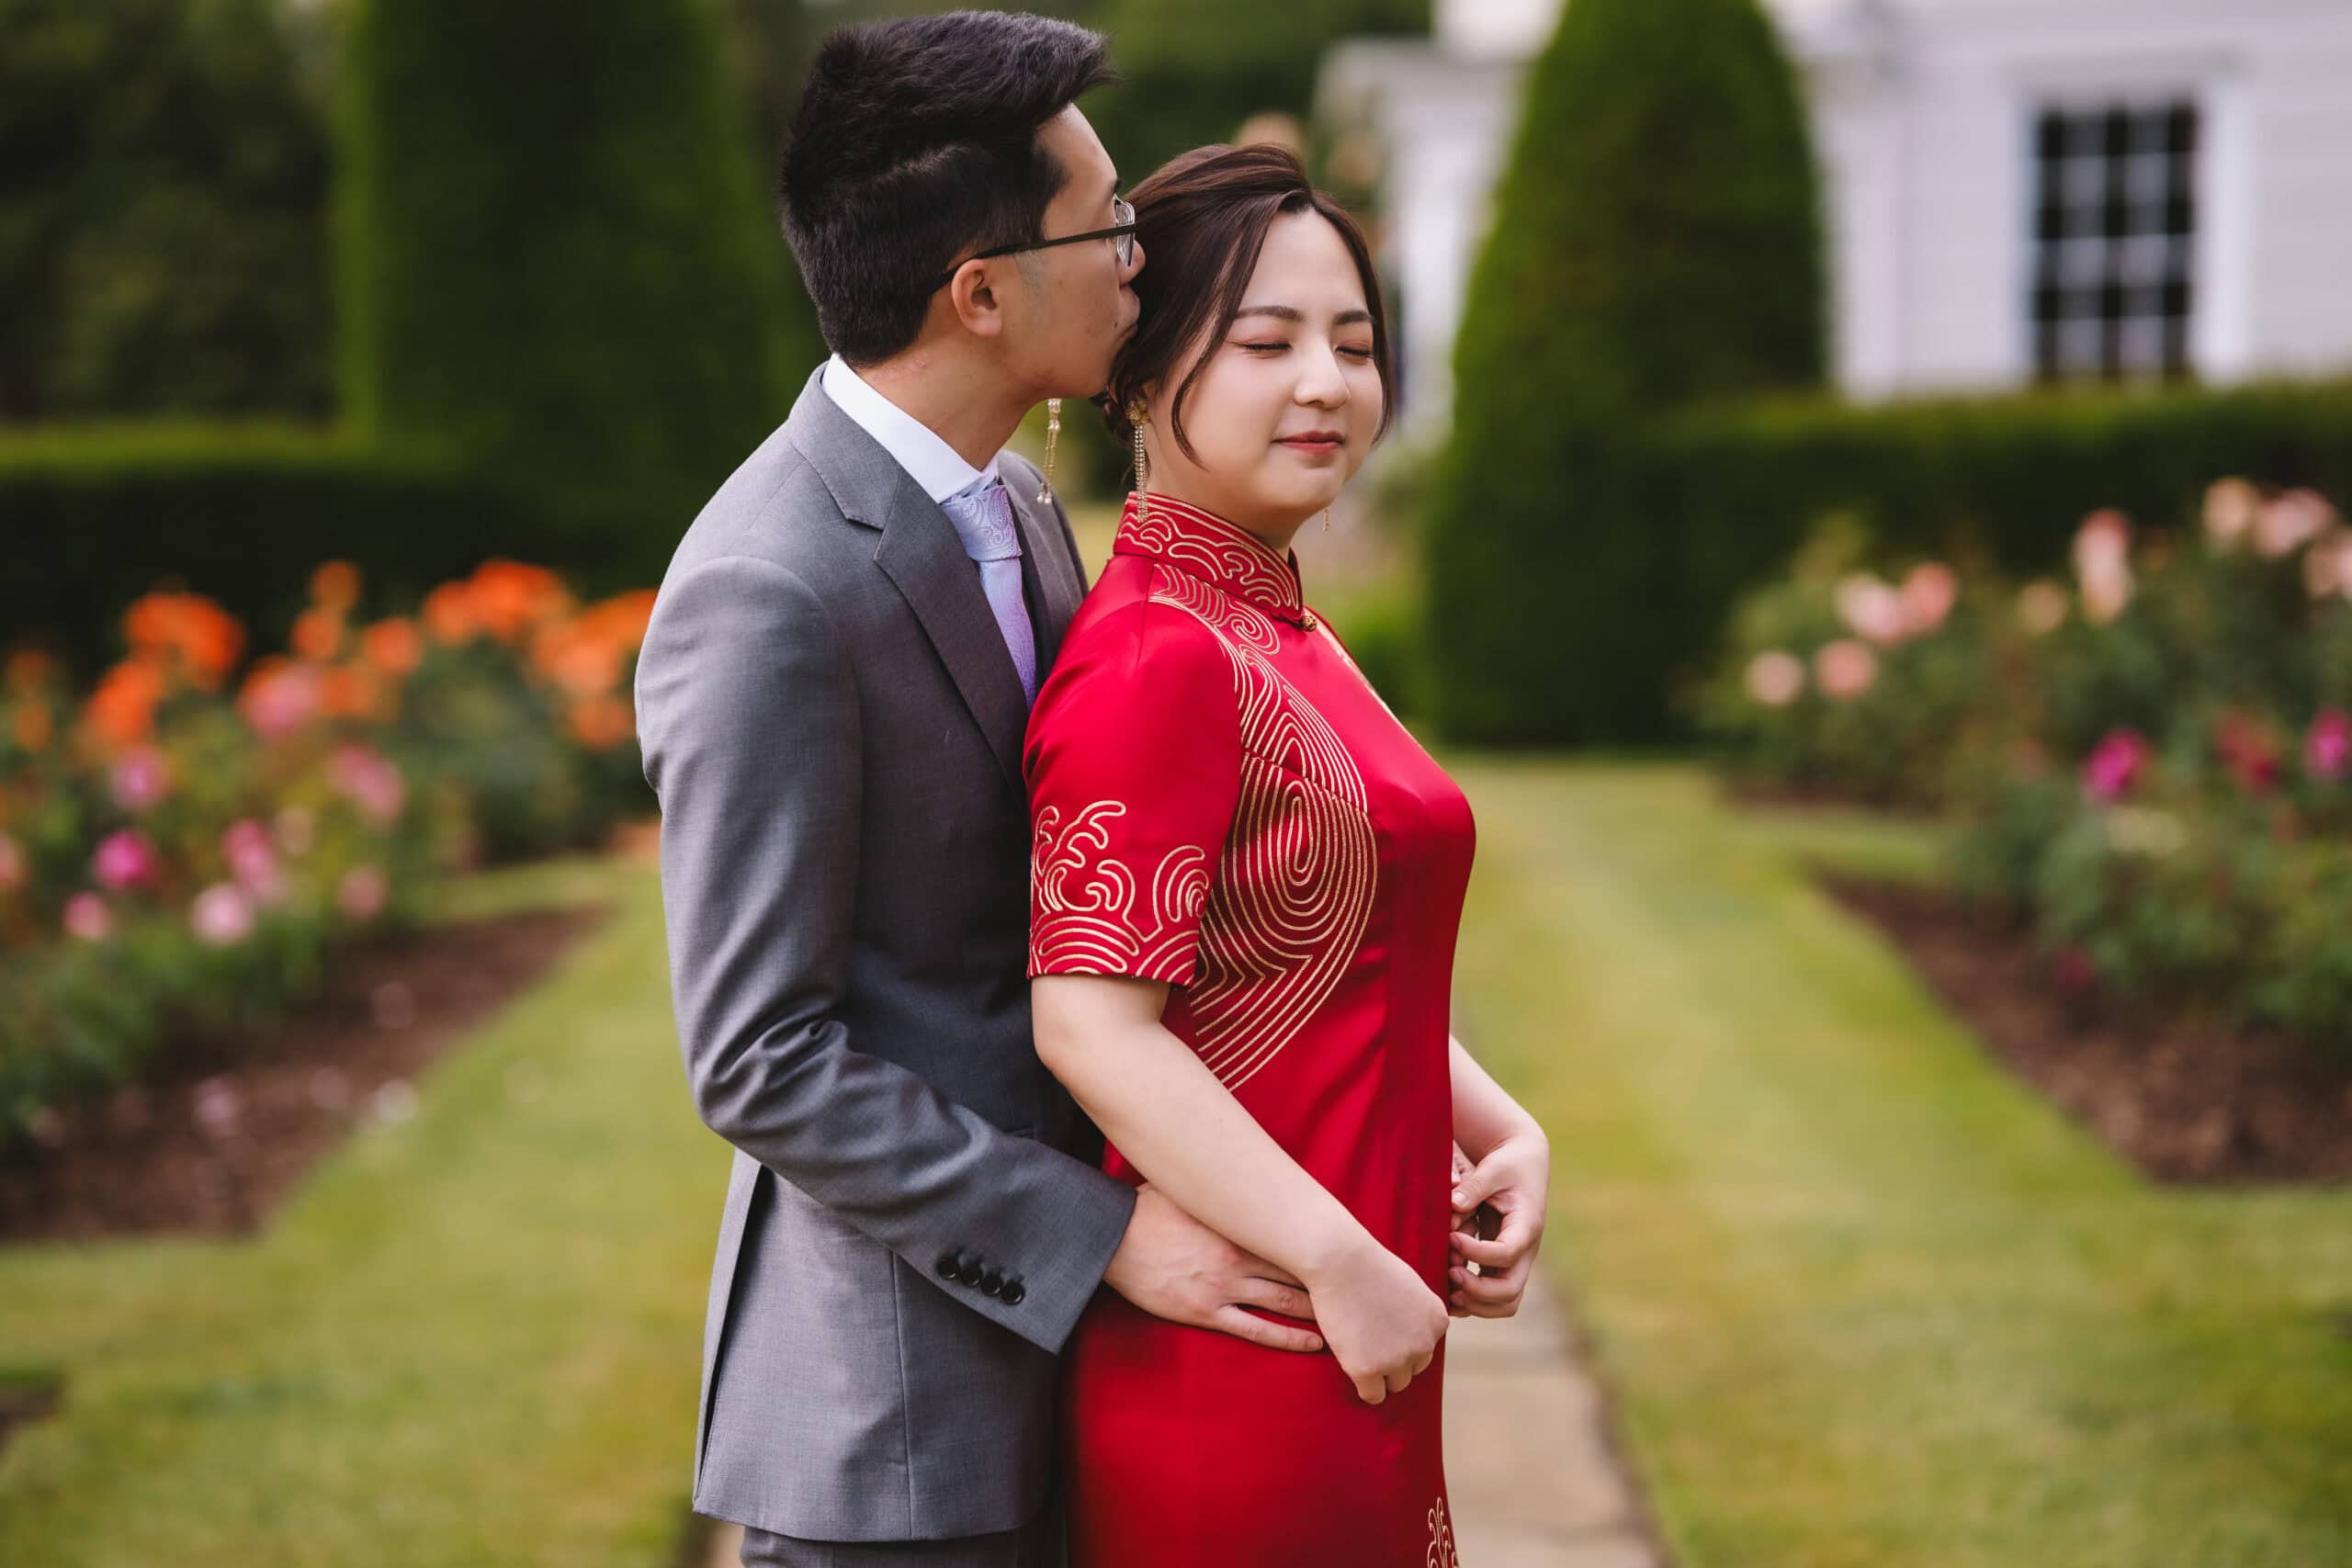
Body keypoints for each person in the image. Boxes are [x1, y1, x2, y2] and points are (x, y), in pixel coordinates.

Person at [634, 17, 1329, 1568]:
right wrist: (1099, 1240)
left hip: (1087, 1381)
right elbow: (759, 1057)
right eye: (1110, 223)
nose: (1143, 257)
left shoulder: (1017, 500)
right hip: (902, 1431)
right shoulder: (767, 587)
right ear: (981, 291)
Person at [1023, 141, 1555, 1565]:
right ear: (1138, 377)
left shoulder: (1280, 626)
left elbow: (1330, 953)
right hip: (1251, 1352)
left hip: (1361, 1317)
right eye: (1266, 342)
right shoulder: (1154, 656)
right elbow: (1087, 1019)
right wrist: (1334, 1262)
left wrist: (1500, 1127)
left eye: (1355, 343)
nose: (1325, 381)